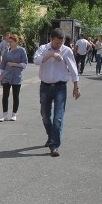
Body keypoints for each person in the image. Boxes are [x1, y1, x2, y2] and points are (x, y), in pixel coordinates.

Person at [33, 28, 81, 157]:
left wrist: (76, 86)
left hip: (60, 87)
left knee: (58, 117)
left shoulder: (67, 51)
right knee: (45, 115)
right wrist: (50, 55)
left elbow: (73, 69)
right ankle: (51, 135)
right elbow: (36, 61)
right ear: (51, 39)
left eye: (60, 43)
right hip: (45, 86)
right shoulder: (43, 49)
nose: (58, 46)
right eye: (56, 43)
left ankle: (54, 146)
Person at [0, 34, 28, 122]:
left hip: (17, 76)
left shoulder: (22, 51)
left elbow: (25, 64)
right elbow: (3, 64)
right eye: (9, 42)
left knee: (15, 96)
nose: (9, 43)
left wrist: (14, 64)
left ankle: (14, 114)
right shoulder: (7, 51)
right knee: (5, 95)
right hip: (7, 75)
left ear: (16, 42)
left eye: (11, 42)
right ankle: (4, 115)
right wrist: (0, 72)